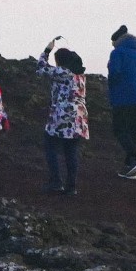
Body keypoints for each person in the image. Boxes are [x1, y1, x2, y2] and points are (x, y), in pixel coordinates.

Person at [37, 36, 89, 194]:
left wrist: (47, 50)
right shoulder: (80, 76)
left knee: (51, 146)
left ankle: (56, 182)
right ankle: (71, 187)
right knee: (71, 151)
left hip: (62, 115)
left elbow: (40, 68)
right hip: (79, 116)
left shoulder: (62, 72)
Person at [106, 25, 136, 177]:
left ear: (117, 41)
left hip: (123, 98)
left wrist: (114, 88)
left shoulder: (117, 53)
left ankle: (135, 157)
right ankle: (129, 168)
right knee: (134, 132)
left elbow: (115, 73)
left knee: (119, 129)